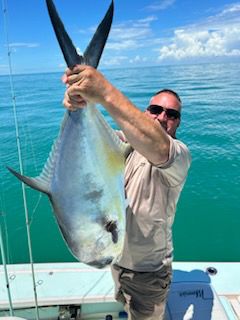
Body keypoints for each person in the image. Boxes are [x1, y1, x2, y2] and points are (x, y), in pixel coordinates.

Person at [62, 65, 191, 320]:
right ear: (146, 113)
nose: (162, 116)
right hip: (116, 261)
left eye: (171, 114)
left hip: (148, 276)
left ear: (177, 122)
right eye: (155, 110)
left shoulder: (178, 156)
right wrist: (80, 103)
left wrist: (104, 91)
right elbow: (98, 135)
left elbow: (155, 143)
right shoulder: (127, 144)